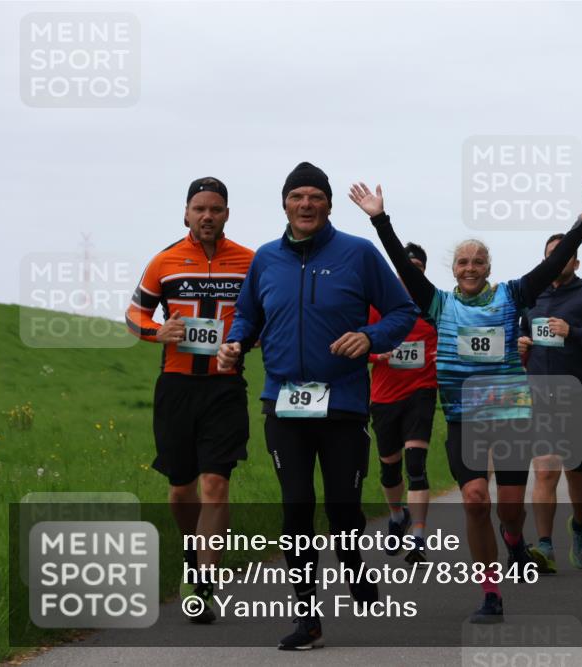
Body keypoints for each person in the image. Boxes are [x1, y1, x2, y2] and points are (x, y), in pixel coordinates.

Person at [349, 170, 582, 623]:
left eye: (478, 263)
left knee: (509, 510)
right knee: (473, 498)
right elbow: (403, 269)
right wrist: (381, 219)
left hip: (509, 417)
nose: (470, 269)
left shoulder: (512, 296)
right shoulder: (437, 304)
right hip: (464, 419)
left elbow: (550, 266)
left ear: (489, 268)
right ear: (453, 270)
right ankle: (491, 593)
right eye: (463, 263)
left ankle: (514, 541)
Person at [218, 162, 417, 650]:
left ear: (328, 204)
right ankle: (307, 617)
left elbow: (403, 311)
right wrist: (235, 342)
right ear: (284, 204)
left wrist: (369, 337)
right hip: (284, 401)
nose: (305, 204)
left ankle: (353, 566)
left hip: (344, 403)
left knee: (343, 508)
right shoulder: (266, 258)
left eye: (315, 197)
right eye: (297, 197)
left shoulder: (358, 254)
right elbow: (247, 313)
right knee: (296, 506)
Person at [125, 177, 254, 624]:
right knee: (181, 489)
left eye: (216, 209)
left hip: (224, 387)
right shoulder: (164, 261)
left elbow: (263, 315)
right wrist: (153, 330)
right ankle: (191, 550)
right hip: (177, 387)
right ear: (185, 213)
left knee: (215, 483)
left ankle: (204, 581)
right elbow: (134, 313)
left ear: (226, 214)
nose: (207, 216)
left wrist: (244, 341)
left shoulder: (248, 262)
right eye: (199, 208)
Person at [516, 233, 582, 574]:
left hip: (580, 396)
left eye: (565, 255)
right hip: (540, 396)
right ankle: (544, 546)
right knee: (545, 469)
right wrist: (519, 347)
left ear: (575, 262)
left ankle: (577, 525)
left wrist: (572, 331)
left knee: (577, 473)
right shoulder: (531, 298)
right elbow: (522, 337)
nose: (558, 260)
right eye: (552, 255)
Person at [367, 242, 438, 564]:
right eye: (405, 270)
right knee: (389, 468)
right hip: (383, 395)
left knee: (416, 467)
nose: (411, 276)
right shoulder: (378, 305)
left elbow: (454, 340)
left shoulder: (434, 307)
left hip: (421, 392)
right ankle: (397, 515)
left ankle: (419, 538)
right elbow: (359, 339)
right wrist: (376, 354)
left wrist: (443, 355)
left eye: (417, 270)